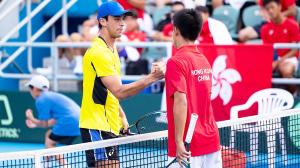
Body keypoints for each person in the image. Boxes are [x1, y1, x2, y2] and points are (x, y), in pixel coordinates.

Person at [79, 1, 165, 167]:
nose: (122, 23)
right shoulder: (99, 52)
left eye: (123, 19)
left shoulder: (112, 50)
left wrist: (121, 116)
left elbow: (108, 92)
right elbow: (119, 91)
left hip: (108, 124)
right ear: (103, 21)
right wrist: (152, 78)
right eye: (117, 19)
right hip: (96, 125)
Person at [165, 9, 222, 167]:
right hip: (211, 140)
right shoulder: (203, 60)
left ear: (176, 30)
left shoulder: (175, 62)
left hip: (188, 146)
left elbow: (181, 102)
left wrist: (178, 141)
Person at [25, 75, 80, 165]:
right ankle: (47, 164)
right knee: (48, 134)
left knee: (49, 143)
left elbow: (45, 124)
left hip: (69, 122)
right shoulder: (50, 95)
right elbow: (53, 121)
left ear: (34, 88)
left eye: (30, 88)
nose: (30, 91)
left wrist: (31, 118)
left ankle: (65, 165)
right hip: (79, 121)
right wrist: (36, 124)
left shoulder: (41, 99)